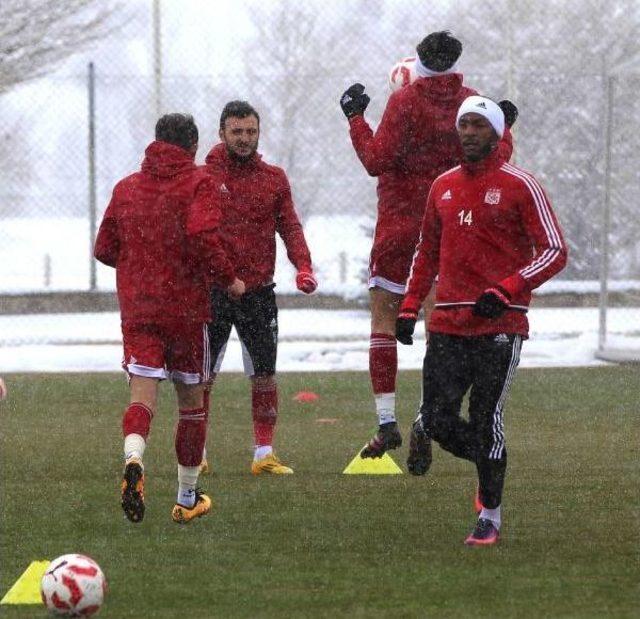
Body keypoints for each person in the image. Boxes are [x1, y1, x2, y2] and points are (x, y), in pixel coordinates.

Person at [396, 95, 567, 545]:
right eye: (463, 124)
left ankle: (489, 514)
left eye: (478, 124)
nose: (468, 132)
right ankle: (488, 461)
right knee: (435, 420)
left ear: (496, 132)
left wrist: (506, 289)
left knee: (486, 416)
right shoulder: (442, 186)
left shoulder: (519, 185)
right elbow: (426, 252)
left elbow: (554, 251)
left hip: (499, 325)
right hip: (448, 325)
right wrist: (411, 305)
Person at [339, 31, 515, 459]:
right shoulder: (471, 103)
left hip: (400, 223)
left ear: (415, 66)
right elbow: (498, 158)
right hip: (451, 223)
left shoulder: (406, 101)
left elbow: (375, 161)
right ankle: (427, 414)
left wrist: (356, 119)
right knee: (441, 328)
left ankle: (385, 422)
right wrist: (504, 127)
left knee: (384, 319)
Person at [94, 113, 244, 524]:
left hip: (140, 310)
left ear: (155, 142)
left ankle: (134, 459)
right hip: (186, 311)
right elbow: (201, 235)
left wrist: (141, 264)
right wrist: (228, 277)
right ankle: (186, 496)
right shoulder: (201, 183)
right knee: (192, 406)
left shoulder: (126, 188)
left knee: (142, 398)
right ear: (194, 145)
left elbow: (104, 248)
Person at [201, 100, 316, 475]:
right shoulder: (203, 178)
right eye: (237, 131)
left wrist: (303, 266)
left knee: (264, 374)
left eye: (251, 131)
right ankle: (196, 454)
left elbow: (290, 226)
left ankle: (263, 453)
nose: (245, 138)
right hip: (212, 292)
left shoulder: (273, 178)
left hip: (258, 293)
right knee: (201, 377)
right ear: (221, 133)